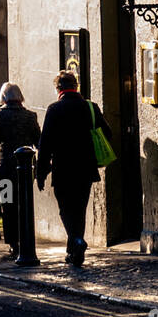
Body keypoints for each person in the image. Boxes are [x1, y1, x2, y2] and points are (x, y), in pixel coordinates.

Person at [36, 71, 111, 266]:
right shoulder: (91, 107)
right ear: (76, 86)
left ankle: (76, 241)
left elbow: (45, 145)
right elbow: (108, 134)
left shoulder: (54, 109)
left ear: (58, 89)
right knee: (79, 209)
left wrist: (41, 172)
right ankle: (75, 252)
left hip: (63, 168)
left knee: (65, 210)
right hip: (86, 168)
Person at [0, 82, 40, 258]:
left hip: (5, 170)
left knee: (7, 206)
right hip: (26, 171)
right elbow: (39, 141)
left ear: (3, 98)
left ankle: (13, 243)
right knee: (24, 205)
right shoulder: (30, 116)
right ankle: (25, 239)